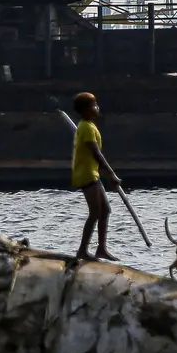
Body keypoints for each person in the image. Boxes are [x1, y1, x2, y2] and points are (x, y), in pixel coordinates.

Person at [71, 92, 122, 262]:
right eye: (94, 105)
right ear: (86, 110)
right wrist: (111, 174)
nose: (97, 107)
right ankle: (82, 251)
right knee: (95, 212)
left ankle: (101, 248)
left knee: (105, 210)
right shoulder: (85, 127)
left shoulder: (90, 126)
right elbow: (96, 153)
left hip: (93, 173)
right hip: (86, 174)